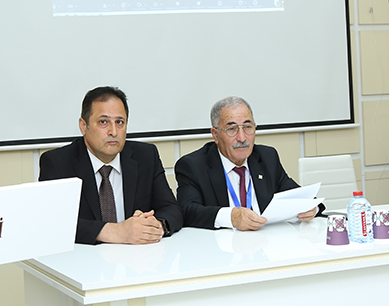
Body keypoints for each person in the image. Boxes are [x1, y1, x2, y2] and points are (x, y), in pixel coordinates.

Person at [39, 86, 182, 244]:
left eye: (120, 122)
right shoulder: (57, 162)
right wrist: (114, 231)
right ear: (83, 126)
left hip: (138, 259)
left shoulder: (146, 156)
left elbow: (172, 209)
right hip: (83, 261)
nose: (113, 132)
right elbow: (52, 222)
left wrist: (156, 226)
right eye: (103, 122)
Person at [175, 96, 320, 231]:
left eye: (248, 127)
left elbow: (300, 196)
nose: (242, 138)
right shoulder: (193, 165)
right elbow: (187, 211)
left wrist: (310, 208)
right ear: (215, 134)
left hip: (266, 245)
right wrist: (230, 217)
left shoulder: (266, 157)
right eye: (232, 129)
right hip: (221, 249)